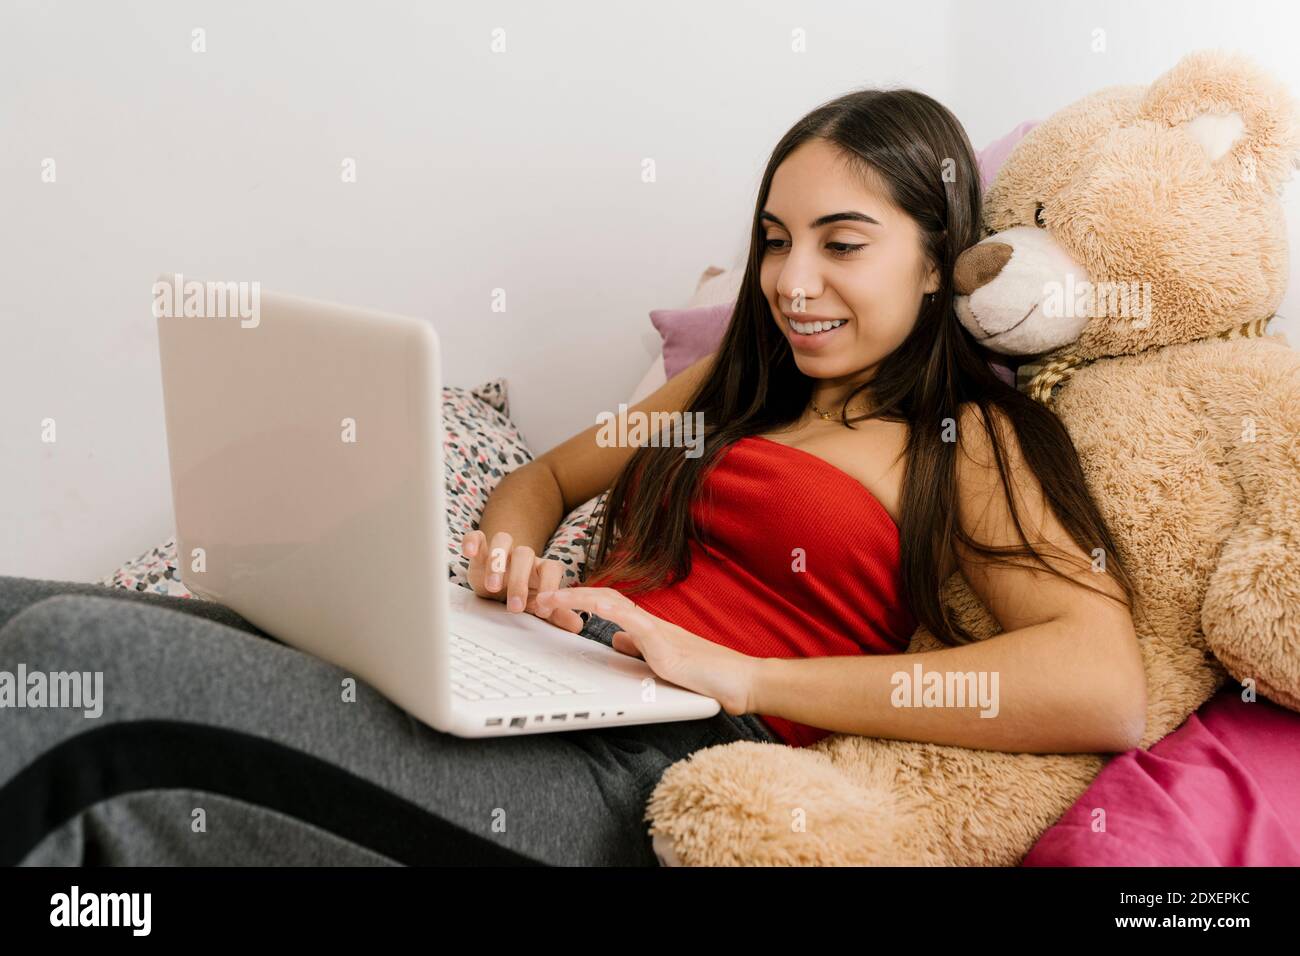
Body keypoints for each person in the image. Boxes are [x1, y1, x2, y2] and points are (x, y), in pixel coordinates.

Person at [0, 89, 1145, 868]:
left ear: (939, 259)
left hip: (640, 772)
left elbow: (1101, 682)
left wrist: (742, 674)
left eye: (841, 243)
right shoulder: (727, 387)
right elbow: (543, 481)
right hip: (535, 685)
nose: (793, 280)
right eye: (772, 237)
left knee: (76, 666)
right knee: (21, 614)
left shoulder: (965, 436)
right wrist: (510, 554)